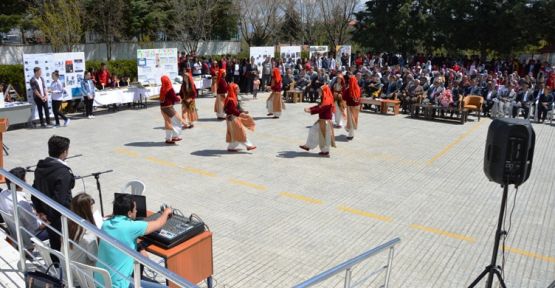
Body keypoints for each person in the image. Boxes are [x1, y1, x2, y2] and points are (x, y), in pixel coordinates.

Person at [95, 194, 171, 288]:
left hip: (99, 283)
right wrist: (167, 212)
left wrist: (139, 246)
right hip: (119, 285)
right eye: (135, 209)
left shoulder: (105, 225)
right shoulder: (132, 227)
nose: (136, 211)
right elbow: (159, 223)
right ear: (129, 213)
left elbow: (122, 237)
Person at [31, 135, 75, 254]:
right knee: (63, 248)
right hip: (59, 218)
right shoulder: (63, 172)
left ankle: (56, 267)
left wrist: (40, 211)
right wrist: (50, 219)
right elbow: (59, 200)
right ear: (64, 152)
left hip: (46, 215)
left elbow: (34, 190)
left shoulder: (41, 166)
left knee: (54, 246)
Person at [0, 167, 48, 247]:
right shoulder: (21, 202)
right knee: (58, 227)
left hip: (15, 230)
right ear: (21, 182)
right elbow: (37, 226)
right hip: (31, 235)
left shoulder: (2, 194)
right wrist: (48, 222)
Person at [68, 193, 98, 286]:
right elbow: (94, 257)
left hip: (69, 273)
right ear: (87, 209)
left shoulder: (67, 223)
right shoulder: (88, 234)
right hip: (84, 279)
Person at [299, 84, 336, 157]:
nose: (318, 91)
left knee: (325, 136)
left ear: (324, 92)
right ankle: (308, 146)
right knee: (313, 130)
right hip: (322, 120)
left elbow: (320, 109)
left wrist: (310, 111)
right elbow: (318, 106)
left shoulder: (327, 100)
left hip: (326, 121)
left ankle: (325, 151)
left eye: (320, 90)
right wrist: (310, 108)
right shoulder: (324, 98)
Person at [224, 80, 256, 152]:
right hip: (232, 118)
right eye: (237, 88)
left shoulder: (233, 97)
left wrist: (242, 111)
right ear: (234, 90)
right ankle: (249, 146)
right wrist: (241, 113)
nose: (239, 90)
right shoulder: (230, 99)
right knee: (240, 131)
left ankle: (231, 147)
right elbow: (232, 110)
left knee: (236, 133)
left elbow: (236, 108)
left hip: (233, 117)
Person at [159, 75, 183, 144]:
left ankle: (168, 139)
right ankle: (175, 137)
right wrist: (179, 98)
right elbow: (174, 98)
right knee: (177, 121)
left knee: (168, 123)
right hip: (168, 108)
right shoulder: (169, 89)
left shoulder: (162, 88)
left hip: (162, 108)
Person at [343, 75, 361, 140]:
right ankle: (349, 129)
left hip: (350, 106)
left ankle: (351, 134)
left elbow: (344, 97)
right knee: (355, 119)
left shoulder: (348, 89)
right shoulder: (358, 88)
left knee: (351, 120)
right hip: (357, 106)